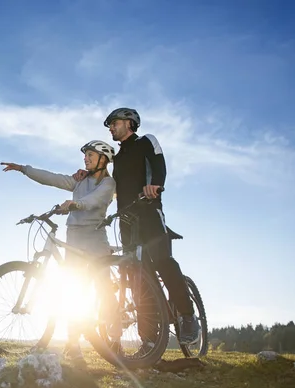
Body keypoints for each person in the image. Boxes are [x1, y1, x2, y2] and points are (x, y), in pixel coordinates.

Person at [73, 108, 200, 352]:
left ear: (129, 123)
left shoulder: (146, 142)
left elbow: (159, 165)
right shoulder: (117, 158)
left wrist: (156, 185)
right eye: (109, 125)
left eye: (114, 123)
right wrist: (85, 174)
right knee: (138, 279)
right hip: (127, 220)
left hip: (149, 212)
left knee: (163, 261)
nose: (110, 128)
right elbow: (103, 177)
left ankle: (187, 316)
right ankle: (149, 340)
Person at [1, 140, 120, 361]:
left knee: (104, 290)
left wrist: (75, 204)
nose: (86, 159)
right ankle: (73, 343)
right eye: (85, 156)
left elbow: (96, 200)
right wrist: (24, 169)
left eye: (91, 156)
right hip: (73, 236)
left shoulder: (109, 183)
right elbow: (52, 178)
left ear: (103, 160)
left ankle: (115, 339)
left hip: (95, 238)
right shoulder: (79, 180)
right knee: (74, 289)